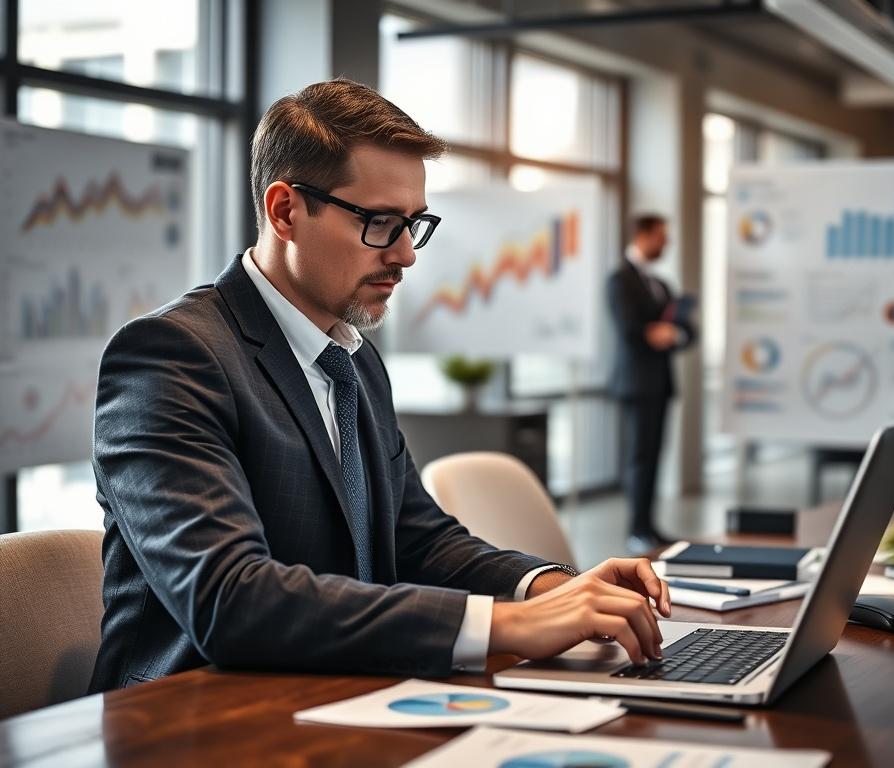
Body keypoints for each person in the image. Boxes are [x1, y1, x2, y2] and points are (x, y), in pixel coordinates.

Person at [88, 78, 671, 693]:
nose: (406, 255)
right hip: (192, 720)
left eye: (413, 224)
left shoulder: (352, 357)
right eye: (380, 222)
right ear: (285, 210)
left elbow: (418, 537)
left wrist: (553, 588)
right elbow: (230, 598)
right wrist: (509, 624)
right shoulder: (171, 357)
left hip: (340, 692)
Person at [607, 215, 697, 554]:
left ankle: (649, 525)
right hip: (635, 383)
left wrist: (674, 333)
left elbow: (689, 331)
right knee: (640, 457)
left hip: (660, 383)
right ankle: (636, 529)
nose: (666, 243)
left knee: (656, 456)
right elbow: (628, 329)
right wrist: (653, 333)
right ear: (642, 235)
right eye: (661, 236)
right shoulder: (620, 280)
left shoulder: (661, 284)